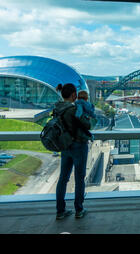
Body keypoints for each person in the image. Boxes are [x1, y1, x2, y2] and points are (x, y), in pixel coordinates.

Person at [54, 83, 91, 220]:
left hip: (65, 146)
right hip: (78, 146)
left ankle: (60, 211)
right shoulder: (74, 109)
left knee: (63, 179)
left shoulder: (57, 108)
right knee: (79, 179)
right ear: (74, 95)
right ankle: (79, 209)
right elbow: (87, 125)